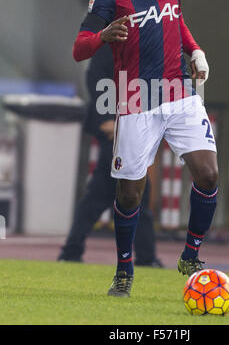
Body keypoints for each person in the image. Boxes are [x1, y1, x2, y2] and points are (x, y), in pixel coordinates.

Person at [73, 0, 218, 297]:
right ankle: (124, 270)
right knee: (130, 194)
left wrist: (196, 50)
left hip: (180, 91)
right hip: (137, 99)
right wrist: (103, 35)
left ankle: (190, 254)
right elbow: (79, 48)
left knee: (207, 175)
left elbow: (176, 19)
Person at [58, 44, 163, 267]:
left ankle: (71, 250)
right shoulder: (112, 46)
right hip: (116, 131)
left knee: (98, 197)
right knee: (137, 195)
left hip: (127, 129)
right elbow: (96, 79)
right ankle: (146, 257)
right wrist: (107, 119)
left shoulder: (136, 49)